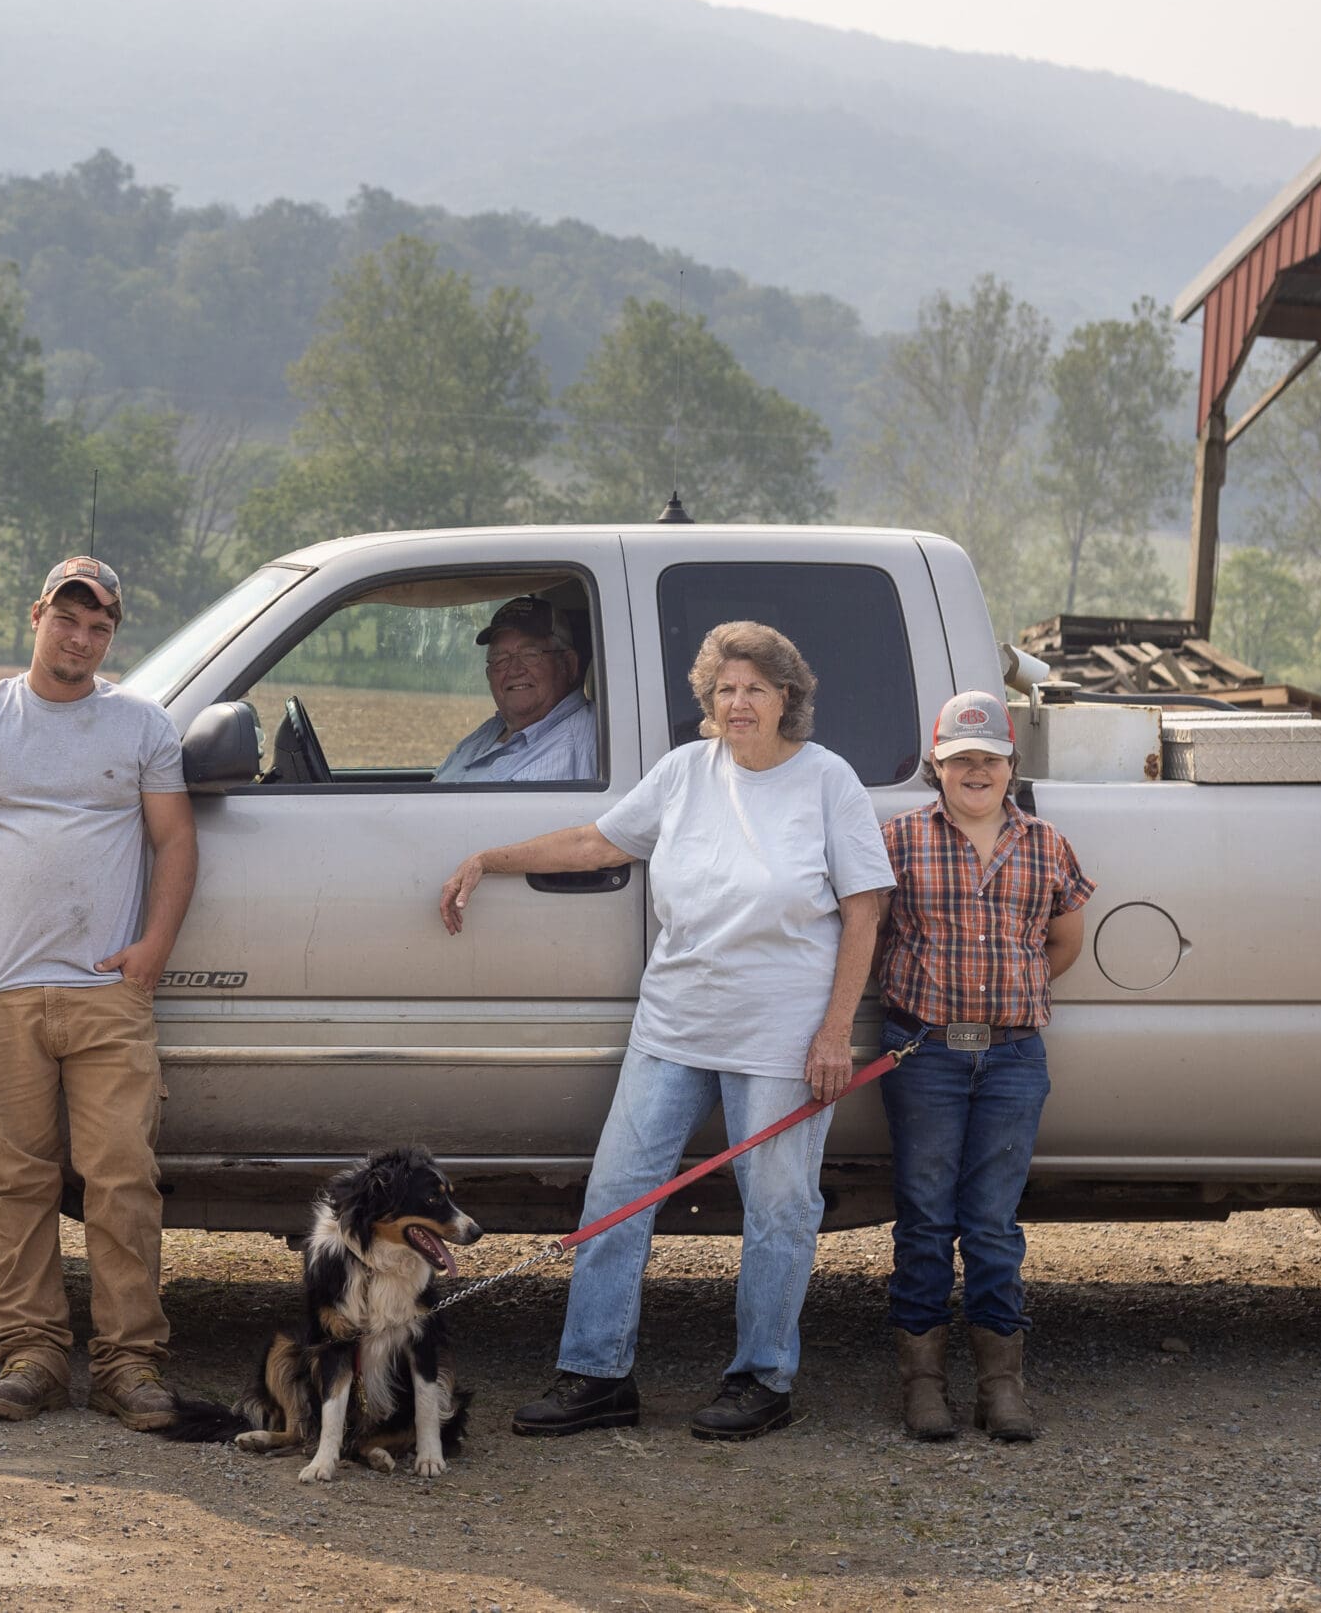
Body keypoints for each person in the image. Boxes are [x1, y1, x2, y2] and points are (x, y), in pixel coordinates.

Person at [439, 620, 891, 1441]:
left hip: (782, 1037)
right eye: (725, 688)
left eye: (755, 687)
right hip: (673, 1026)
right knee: (617, 1192)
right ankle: (596, 1372)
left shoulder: (829, 782)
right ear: (708, 700)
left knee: (779, 1209)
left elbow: (865, 907)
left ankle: (762, 1377)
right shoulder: (686, 772)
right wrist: (489, 858)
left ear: (788, 697)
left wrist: (834, 1033)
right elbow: (595, 840)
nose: (739, 701)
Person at [0, 555, 198, 1431]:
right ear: (37, 616)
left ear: (111, 636)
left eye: (99, 626)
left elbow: (175, 842)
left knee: (123, 1179)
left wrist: (152, 952)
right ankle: (30, 1354)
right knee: (13, 1183)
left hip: (108, 994)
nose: (81, 637)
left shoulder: (140, 724)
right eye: (68, 619)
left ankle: (129, 1363)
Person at [877, 690, 1093, 1444]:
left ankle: (1002, 1383)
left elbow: (1063, 941)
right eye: (960, 758)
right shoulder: (897, 840)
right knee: (927, 1219)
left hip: (1011, 1057)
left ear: (1011, 766)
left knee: (994, 1225)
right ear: (936, 766)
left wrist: (1009, 997)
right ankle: (924, 1382)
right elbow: (867, 940)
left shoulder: (1047, 845)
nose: (975, 770)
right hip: (924, 1053)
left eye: (989, 759)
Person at [433, 596, 596, 782]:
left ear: (569, 664)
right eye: (500, 659)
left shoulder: (570, 746)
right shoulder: (494, 729)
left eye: (530, 654)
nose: (514, 670)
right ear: (489, 673)